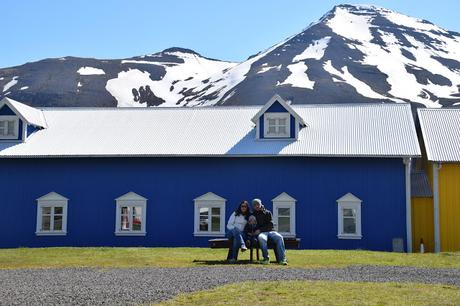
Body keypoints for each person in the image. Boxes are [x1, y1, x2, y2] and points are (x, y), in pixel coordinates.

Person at [252, 198, 287, 265]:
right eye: (255, 205)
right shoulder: (253, 215)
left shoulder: (268, 212)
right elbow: (253, 226)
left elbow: (270, 225)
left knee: (280, 237)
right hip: (262, 233)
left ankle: (282, 259)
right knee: (261, 238)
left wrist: (260, 230)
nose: (256, 206)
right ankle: (266, 259)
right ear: (253, 206)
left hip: (271, 231)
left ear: (260, 204)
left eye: (258, 204)